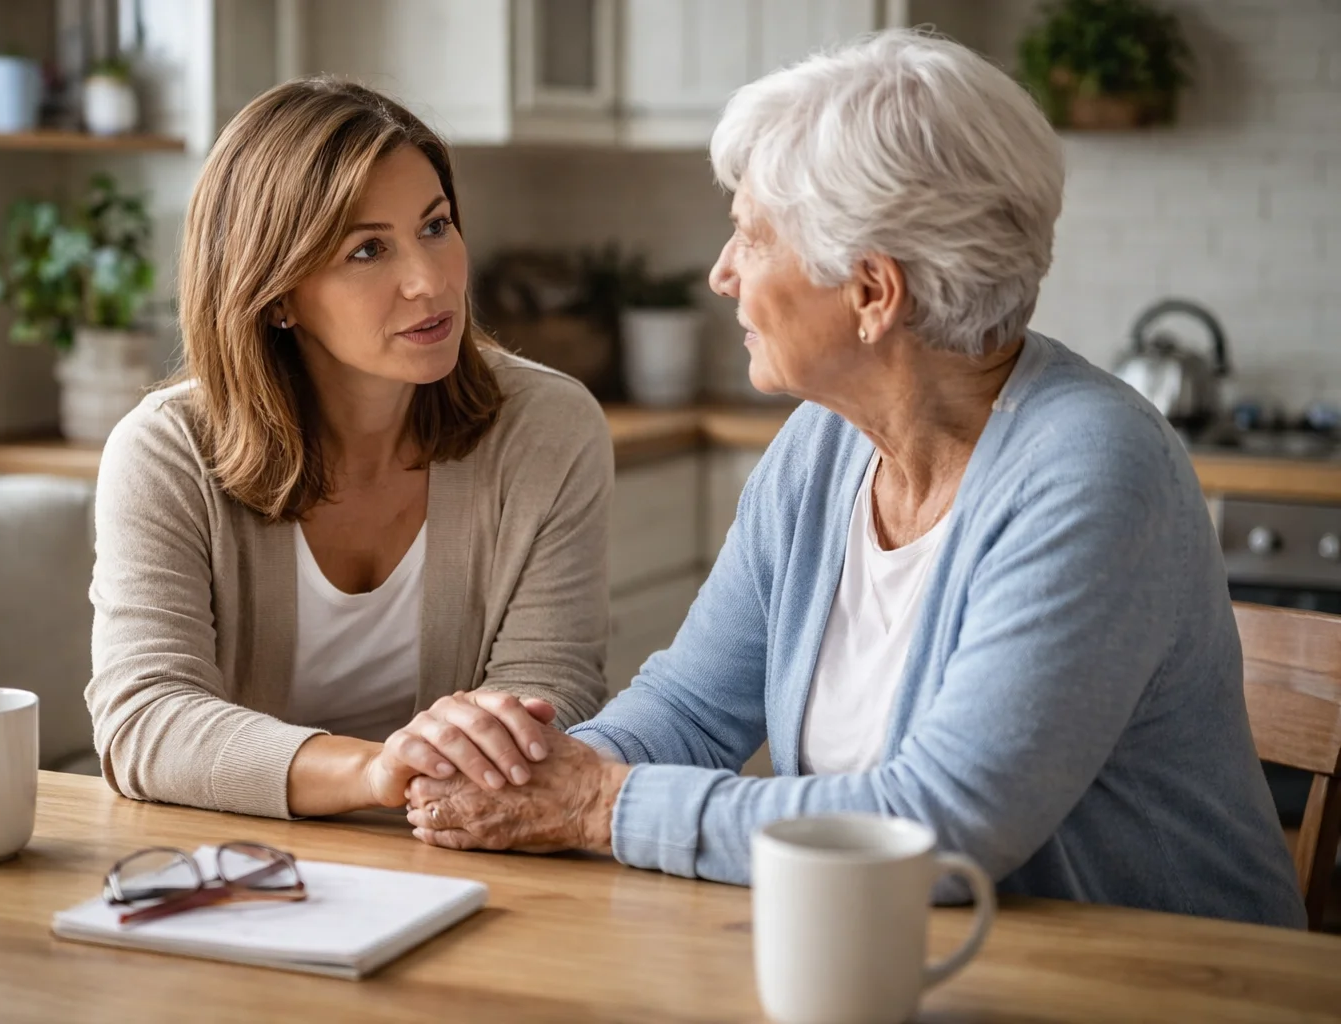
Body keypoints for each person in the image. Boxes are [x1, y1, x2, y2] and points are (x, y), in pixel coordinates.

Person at [404, 30, 1307, 928]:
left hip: (1167, 983)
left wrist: (597, 806)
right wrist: (518, 771)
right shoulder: (822, 447)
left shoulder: (1093, 472)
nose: (721, 274)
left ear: (873, 293)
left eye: (750, 239)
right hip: (895, 959)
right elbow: (690, 705)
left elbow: (940, 827)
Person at [87, 78, 611, 820]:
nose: (429, 282)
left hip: (476, 851)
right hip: (239, 870)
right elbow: (144, 720)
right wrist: (376, 772)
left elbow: (548, 698)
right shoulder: (165, 452)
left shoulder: (550, 429)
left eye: (435, 226)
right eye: (368, 250)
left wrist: (424, 774)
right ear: (274, 294)